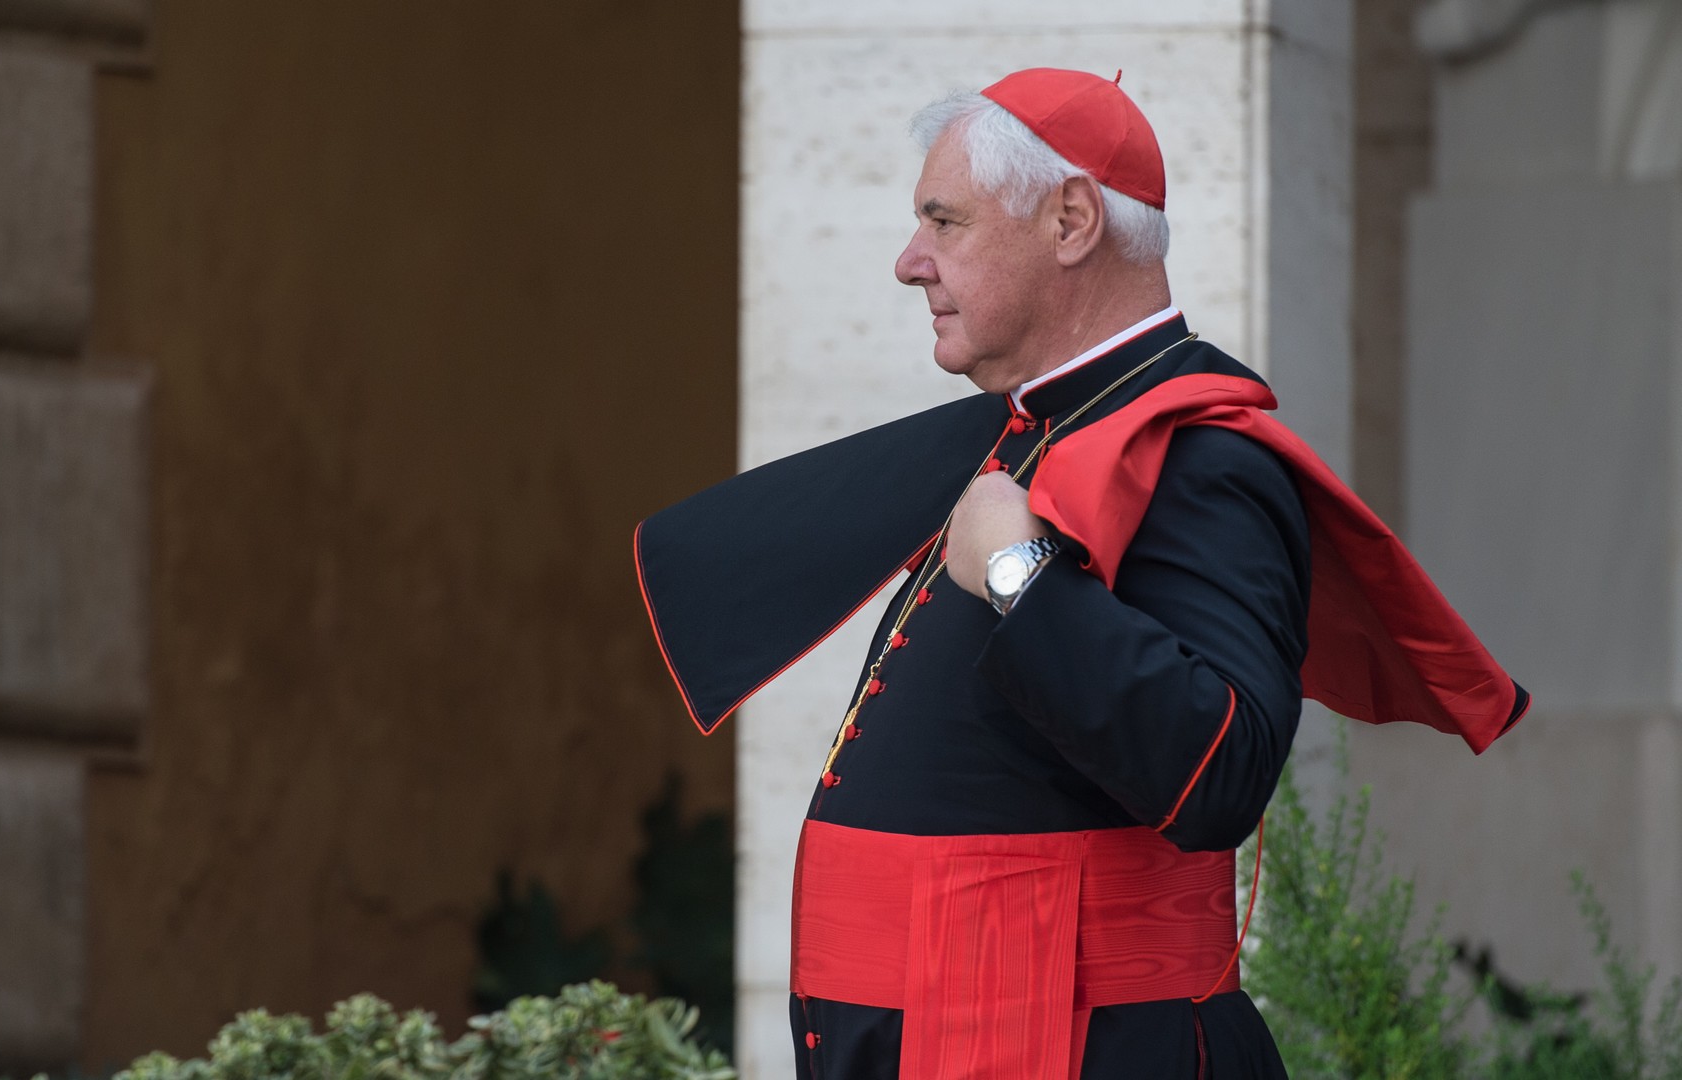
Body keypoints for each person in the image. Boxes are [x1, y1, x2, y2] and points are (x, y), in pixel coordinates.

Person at [634, 67, 1526, 1079]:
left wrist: (1019, 571)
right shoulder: (1032, 436)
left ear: (1069, 220)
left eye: (944, 221)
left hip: (1067, 1046)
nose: (907, 262)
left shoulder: (1201, 459)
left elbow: (1222, 764)